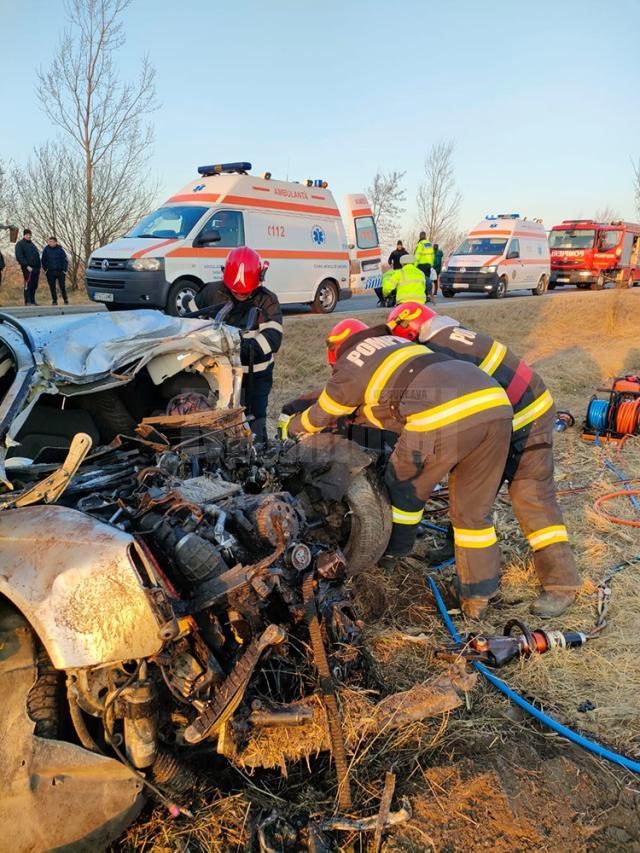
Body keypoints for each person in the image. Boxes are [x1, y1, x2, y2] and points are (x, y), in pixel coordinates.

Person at [287, 318, 513, 619]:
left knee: (401, 491)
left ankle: (390, 563)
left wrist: (292, 427)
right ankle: (477, 597)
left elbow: (321, 414)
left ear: (335, 353)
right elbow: (394, 399)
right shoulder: (397, 344)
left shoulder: (352, 360)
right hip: (496, 405)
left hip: (441, 414)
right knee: (473, 513)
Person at [387, 302, 581, 617]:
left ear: (409, 332)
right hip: (503, 416)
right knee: (469, 494)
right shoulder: (450, 334)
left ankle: (562, 584)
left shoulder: (436, 349)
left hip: (526, 420)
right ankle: (458, 553)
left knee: (530, 497)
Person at [194, 247, 282, 443]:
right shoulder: (210, 292)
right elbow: (186, 321)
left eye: (246, 291)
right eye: (236, 291)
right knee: (225, 417)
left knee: (255, 417)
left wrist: (243, 347)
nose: (241, 294)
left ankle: (259, 452)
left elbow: (273, 338)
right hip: (219, 373)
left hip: (256, 374)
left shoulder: (267, 300)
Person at [14, 229, 41, 305]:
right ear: (24, 235)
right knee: (28, 284)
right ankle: (28, 301)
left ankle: (33, 300)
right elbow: (19, 256)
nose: (29, 236)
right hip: (27, 268)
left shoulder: (33, 245)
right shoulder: (20, 244)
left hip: (36, 268)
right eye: (27, 234)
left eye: (30, 235)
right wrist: (26, 265)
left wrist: (39, 267)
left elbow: (37, 256)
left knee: (34, 285)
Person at [41, 237, 69, 305]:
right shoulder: (46, 250)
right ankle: (54, 300)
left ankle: (65, 299)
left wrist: (64, 270)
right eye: (49, 241)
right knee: (52, 287)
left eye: (52, 241)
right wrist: (46, 269)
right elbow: (43, 260)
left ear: (55, 242)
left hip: (60, 271)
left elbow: (65, 260)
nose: (50, 243)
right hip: (50, 271)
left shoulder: (60, 249)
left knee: (62, 286)